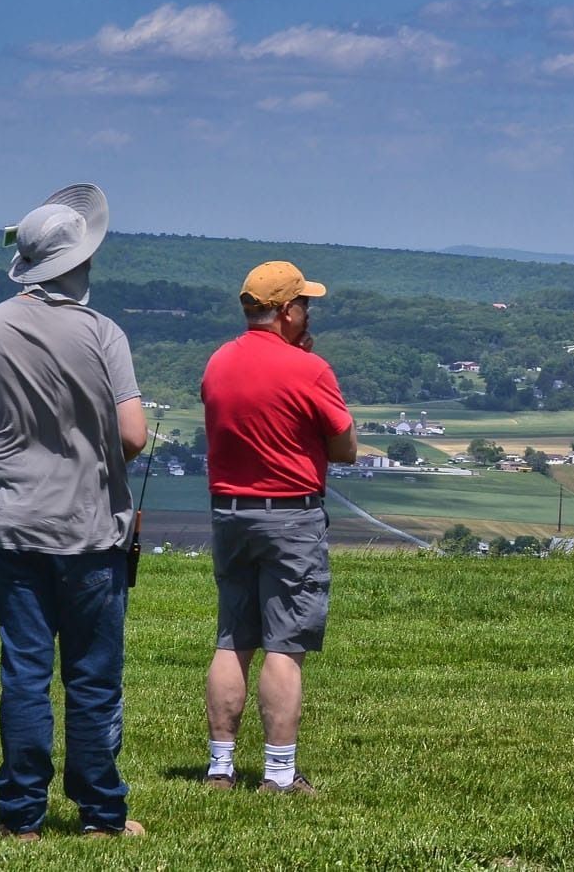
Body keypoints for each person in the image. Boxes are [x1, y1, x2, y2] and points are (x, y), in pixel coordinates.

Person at [0, 184, 149, 840]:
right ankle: (100, 815)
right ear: (79, 262)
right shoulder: (103, 333)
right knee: (92, 680)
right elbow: (135, 435)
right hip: (91, 530)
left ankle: (22, 817)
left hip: (16, 526)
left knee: (25, 674)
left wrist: (6, 447)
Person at [199, 261, 357, 796]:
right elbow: (346, 447)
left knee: (232, 638)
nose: (309, 312)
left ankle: (220, 767)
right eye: (305, 304)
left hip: (229, 513)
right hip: (290, 514)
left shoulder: (218, 363)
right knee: (284, 644)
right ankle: (279, 774)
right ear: (288, 311)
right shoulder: (310, 370)